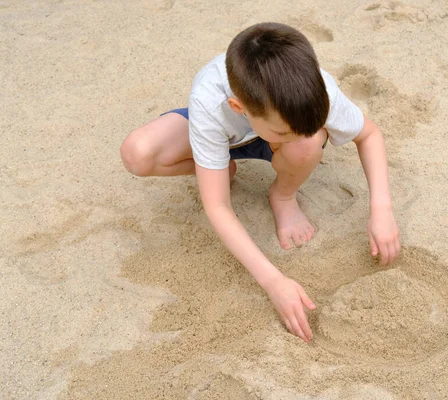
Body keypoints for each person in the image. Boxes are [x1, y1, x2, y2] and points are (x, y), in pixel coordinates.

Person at [120, 22, 400, 343]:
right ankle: (218, 167)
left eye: (306, 125)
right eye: (285, 131)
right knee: (136, 153)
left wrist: (381, 208)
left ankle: (283, 196)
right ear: (238, 107)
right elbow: (218, 207)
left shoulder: (316, 88)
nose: (295, 135)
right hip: (224, 134)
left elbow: (369, 135)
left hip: (270, 139)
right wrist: (273, 281)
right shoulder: (209, 101)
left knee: (307, 144)